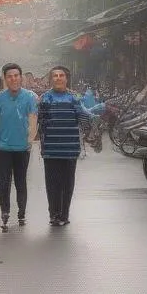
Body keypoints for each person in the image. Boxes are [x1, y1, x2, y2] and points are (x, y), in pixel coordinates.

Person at [38, 65, 93, 226]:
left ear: (66, 79)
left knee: (67, 184)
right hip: (51, 149)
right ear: (51, 79)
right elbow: (39, 122)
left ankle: (64, 214)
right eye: (55, 76)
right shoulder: (45, 99)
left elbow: (83, 116)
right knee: (52, 183)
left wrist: (94, 117)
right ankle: (53, 214)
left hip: (70, 149)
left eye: (61, 75)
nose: (58, 78)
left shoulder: (74, 98)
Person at [0, 62, 38, 231]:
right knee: (4, 182)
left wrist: (30, 141)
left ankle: (21, 214)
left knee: (21, 182)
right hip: (3, 149)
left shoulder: (30, 97)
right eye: (10, 76)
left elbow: (33, 121)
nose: (13, 79)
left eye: (16, 75)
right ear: (5, 79)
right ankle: (5, 213)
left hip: (22, 149)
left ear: (20, 77)